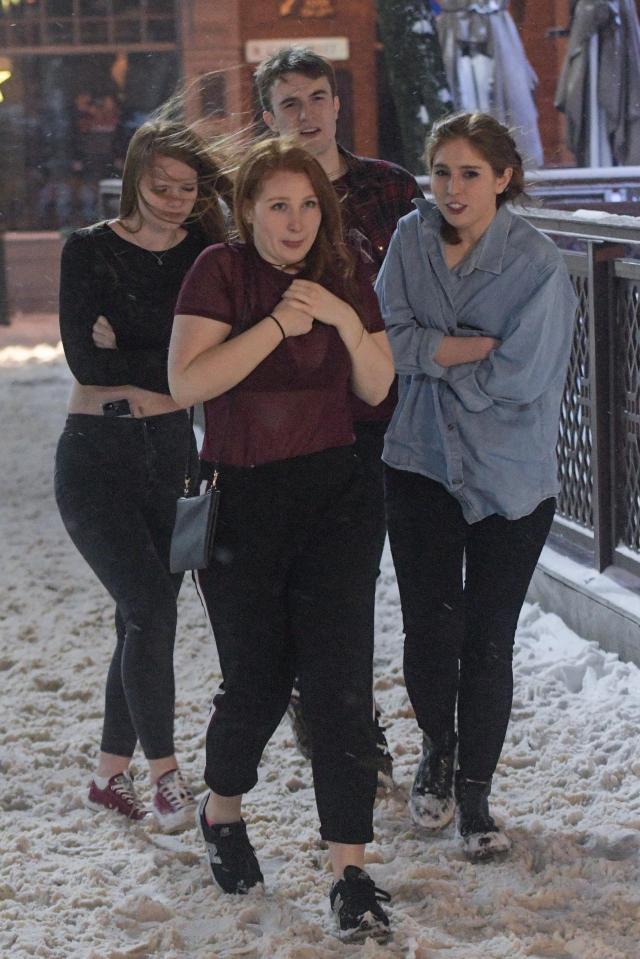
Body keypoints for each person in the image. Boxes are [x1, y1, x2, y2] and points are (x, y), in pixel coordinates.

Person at [168, 139, 395, 940]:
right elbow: (186, 384)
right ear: (248, 211)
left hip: (336, 496)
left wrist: (334, 311)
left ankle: (351, 871)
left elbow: (376, 383)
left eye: (307, 205)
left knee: (339, 687)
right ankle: (221, 806)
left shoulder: (346, 268)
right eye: (277, 206)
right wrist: (274, 324)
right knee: (258, 682)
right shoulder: (219, 272)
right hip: (242, 500)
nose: (295, 221)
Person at [375, 111, 577, 860]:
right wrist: (458, 350)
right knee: (429, 626)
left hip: (510, 478)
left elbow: (523, 375)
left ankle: (477, 797)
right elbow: (385, 338)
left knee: (488, 642)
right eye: (442, 172)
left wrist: (432, 360)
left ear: (502, 178)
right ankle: (438, 744)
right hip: (420, 457)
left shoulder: (539, 264)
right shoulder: (408, 239)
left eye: (469, 173)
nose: (453, 189)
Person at [254, 46, 424, 782]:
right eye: (288, 102)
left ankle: (354, 727)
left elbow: (424, 279)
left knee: (357, 578)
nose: (306, 114)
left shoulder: (389, 188)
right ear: (267, 116)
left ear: (337, 103)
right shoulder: (249, 191)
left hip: (376, 403)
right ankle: (325, 708)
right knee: (295, 579)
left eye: (317, 97)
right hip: (285, 413)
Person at [54, 119, 228, 831]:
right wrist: (169, 362)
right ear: (133, 177)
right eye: (160, 186)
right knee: (148, 608)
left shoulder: (206, 253)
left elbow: (211, 361)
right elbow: (87, 364)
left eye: (187, 188)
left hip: (172, 454)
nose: (175, 199)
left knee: (145, 617)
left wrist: (133, 345)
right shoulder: (88, 249)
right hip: (95, 456)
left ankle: (107, 775)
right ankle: (165, 775)